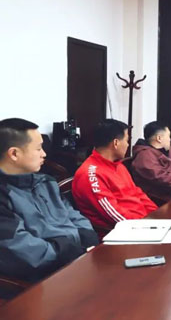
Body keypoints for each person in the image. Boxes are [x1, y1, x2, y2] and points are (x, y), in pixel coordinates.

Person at [0, 118, 98, 285]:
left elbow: (72, 214)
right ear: (14, 154)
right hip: (40, 280)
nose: (44, 154)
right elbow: (24, 251)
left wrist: (88, 237)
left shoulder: (45, 182)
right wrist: (68, 249)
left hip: (75, 260)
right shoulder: (4, 196)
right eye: (38, 148)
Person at [72, 119, 157, 232]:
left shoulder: (118, 166)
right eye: (127, 140)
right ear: (116, 143)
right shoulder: (90, 175)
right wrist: (147, 226)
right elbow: (114, 214)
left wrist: (157, 216)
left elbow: (137, 193)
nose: (128, 145)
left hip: (142, 224)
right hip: (122, 232)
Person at [131, 121, 171, 205]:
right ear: (159, 138)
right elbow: (162, 179)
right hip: (161, 200)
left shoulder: (165, 152)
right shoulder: (145, 156)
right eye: (168, 136)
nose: (170, 139)